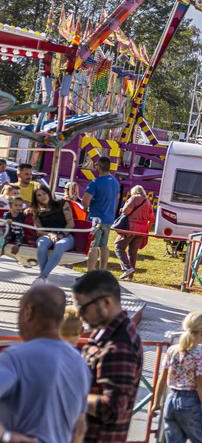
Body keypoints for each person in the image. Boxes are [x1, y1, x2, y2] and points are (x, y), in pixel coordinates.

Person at [0, 283, 90, 443]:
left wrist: (6, 436)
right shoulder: (80, 364)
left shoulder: (15, 358)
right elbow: (80, 428)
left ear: (28, 312)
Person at [75, 269, 143, 442]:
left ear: (105, 302)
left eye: (83, 308)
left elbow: (113, 408)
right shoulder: (107, 333)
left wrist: (67, 396)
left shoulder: (118, 346)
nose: (79, 314)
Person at [151, 312, 202, 443]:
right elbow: (201, 388)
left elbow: (162, 378)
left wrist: (156, 402)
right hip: (190, 403)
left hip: (170, 401)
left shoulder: (172, 351)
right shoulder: (200, 356)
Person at [81, 156, 121, 271]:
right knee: (104, 246)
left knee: (93, 246)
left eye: (96, 165)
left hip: (95, 218)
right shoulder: (115, 182)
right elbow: (117, 197)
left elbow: (85, 201)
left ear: (99, 166)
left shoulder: (95, 182)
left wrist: (85, 208)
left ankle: (90, 273)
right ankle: (103, 270)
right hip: (108, 218)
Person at [31, 186, 74, 283]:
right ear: (36, 198)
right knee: (41, 244)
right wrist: (50, 234)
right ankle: (43, 278)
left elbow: (71, 223)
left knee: (59, 245)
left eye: (44, 193)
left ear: (49, 193)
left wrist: (61, 235)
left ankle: (42, 277)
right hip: (47, 235)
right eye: (39, 195)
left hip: (65, 235)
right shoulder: (36, 210)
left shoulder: (62, 204)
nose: (43, 196)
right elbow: (39, 230)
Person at [114, 185, 153, 281]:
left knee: (118, 247)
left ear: (134, 192)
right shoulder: (148, 202)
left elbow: (126, 211)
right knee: (133, 252)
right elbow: (152, 218)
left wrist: (121, 210)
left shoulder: (134, 198)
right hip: (142, 231)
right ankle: (130, 276)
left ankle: (127, 268)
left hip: (130, 228)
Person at [2, 191, 26, 261]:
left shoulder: (22, 215)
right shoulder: (7, 214)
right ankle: (2, 250)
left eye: (20, 205)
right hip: (9, 232)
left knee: (20, 237)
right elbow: (3, 223)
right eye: (16, 205)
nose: (18, 207)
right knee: (5, 238)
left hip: (18, 233)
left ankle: (17, 245)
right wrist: (7, 221)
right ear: (10, 206)